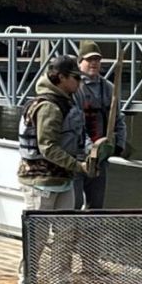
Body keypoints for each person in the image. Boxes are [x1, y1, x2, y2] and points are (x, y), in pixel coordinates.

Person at [19, 55, 109, 211]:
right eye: (75, 78)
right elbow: (48, 148)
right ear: (61, 77)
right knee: (38, 233)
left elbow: (78, 134)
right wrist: (79, 166)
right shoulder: (49, 107)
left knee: (66, 231)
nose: (80, 82)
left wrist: (91, 151)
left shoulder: (67, 102)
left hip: (63, 180)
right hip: (41, 181)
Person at [72, 40, 127, 209]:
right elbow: (75, 124)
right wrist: (90, 149)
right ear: (80, 62)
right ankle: (70, 235)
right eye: (89, 60)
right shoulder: (74, 87)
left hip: (100, 158)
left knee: (96, 205)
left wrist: (118, 145)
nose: (94, 63)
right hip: (77, 156)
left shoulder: (109, 88)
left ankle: (90, 235)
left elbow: (118, 119)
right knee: (74, 203)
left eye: (97, 59)